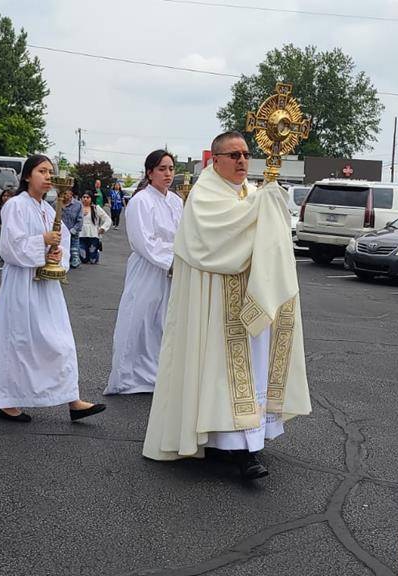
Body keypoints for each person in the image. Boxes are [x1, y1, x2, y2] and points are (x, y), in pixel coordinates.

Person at [141, 131, 310, 480]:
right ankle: (236, 447)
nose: (242, 161)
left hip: (251, 298)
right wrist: (263, 204)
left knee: (250, 371)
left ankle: (248, 439)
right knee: (220, 373)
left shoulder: (250, 192)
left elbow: (264, 238)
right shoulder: (205, 194)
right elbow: (218, 240)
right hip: (216, 306)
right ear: (214, 160)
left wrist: (267, 203)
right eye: (233, 155)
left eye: (246, 154)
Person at [0, 154, 105, 422]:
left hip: (47, 288)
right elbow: (11, 247)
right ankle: (6, 400)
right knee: (20, 342)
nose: (48, 176)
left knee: (59, 341)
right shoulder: (15, 206)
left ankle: (72, 398)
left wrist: (55, 254)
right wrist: (42, 241)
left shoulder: (49, 209)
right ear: (28, 175)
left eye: (51, 171)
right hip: (22, 284)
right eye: (42, 171)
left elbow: (60, 242)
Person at [105, 150, 182, 395]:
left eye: (170, 168)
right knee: (139, 318)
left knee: (163, 321)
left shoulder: (176, 201)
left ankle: (158, 373)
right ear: (149, 173)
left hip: (172, 268)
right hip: (149, 267)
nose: (167, 174)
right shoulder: (140, 201)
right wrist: (171, 260)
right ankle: (128, 376)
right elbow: (142, 241)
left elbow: (182, 236)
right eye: (162, 169)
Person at [77, 191, 111, 264]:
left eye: (88, 197)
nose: (85, 199)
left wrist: (103, 228)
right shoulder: (78, 208)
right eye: (84, 197)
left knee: (93, 259)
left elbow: (108, 219)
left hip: (93, 235)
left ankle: (96, 254)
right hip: (81, 235)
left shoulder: (96, 208)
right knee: (83, 258)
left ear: (91, 199)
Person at [61, 188, 82, 269]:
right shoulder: (57, 203)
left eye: (67, 193)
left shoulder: (78, 205)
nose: (65, 195)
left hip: (73, 231)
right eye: (63, 193)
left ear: (71, 194)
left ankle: (75, 259)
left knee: (74, 250)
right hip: (61, 232)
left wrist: (74, 230)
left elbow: (80, 220)